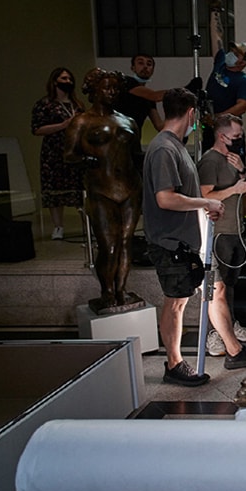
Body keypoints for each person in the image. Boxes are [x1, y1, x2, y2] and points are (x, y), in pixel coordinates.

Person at [143, 87, 224, 386]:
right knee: (175, 303)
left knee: (178, 302)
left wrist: (204, 209)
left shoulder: (174, 146)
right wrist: (205, 203)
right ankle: (174, 364)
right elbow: (165, 198)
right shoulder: (164, 148)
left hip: (181, 240)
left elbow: (183, 195)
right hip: (169, 241)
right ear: (191, 113)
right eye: (197, 117)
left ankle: (175, 361)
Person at [63, 68, 144, 314]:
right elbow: (68, 154)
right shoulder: (82, 121)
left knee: (126, 242)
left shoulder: (127, 121)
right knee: (108, 245)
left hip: (130, 187)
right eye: (106, 87)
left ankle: (121, 290)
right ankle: (106, 291)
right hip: (101, 189)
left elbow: (136, 155)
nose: (111, 92)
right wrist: (85, 160)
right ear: (94, 90)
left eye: (115, 88)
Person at [196, 114, 246, 365]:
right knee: (218, 287)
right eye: (235, 137)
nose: (239, 140)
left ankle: (230, 325)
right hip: (218, 232)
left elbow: (241, 189)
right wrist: (234, 189)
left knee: (230, 283)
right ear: (221, 136)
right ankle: (216, 334)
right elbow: (205, 196)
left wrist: (242, 172)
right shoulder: (210, 162)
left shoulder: (231, 159)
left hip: (235, 228)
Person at [31, 67, 85, 240]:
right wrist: (62, 125)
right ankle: (58, 226)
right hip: (53, 153)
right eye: (63, 78)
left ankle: (86, 225)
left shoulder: (77, 105)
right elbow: (37, 129)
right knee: (54, 189)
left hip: (75, 150)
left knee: (79, 188)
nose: (68, 81)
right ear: (54, 81)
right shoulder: (44, 104)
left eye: (70, 78)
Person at [203, 2, 246, 152]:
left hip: (228, 130)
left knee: (230, 166)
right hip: (210, 128)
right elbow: (217, 37)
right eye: (232, 51)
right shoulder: (220, 63)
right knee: (209, 161)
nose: (231, 54)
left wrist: (218, 117)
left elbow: (242, 106)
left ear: (243, 62)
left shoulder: (244, 81)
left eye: (236, 54)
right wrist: (214, 12)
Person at [115, 53, 165, 135]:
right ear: (133, 68)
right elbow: (155, 96)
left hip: (134, 141)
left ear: (152, 70)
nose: (145, 67)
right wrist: (184, 91)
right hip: (117, 139)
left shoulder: (149, 99)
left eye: (149, 64)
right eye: (140, 63)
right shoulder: (127, 82)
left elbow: (159, 125)